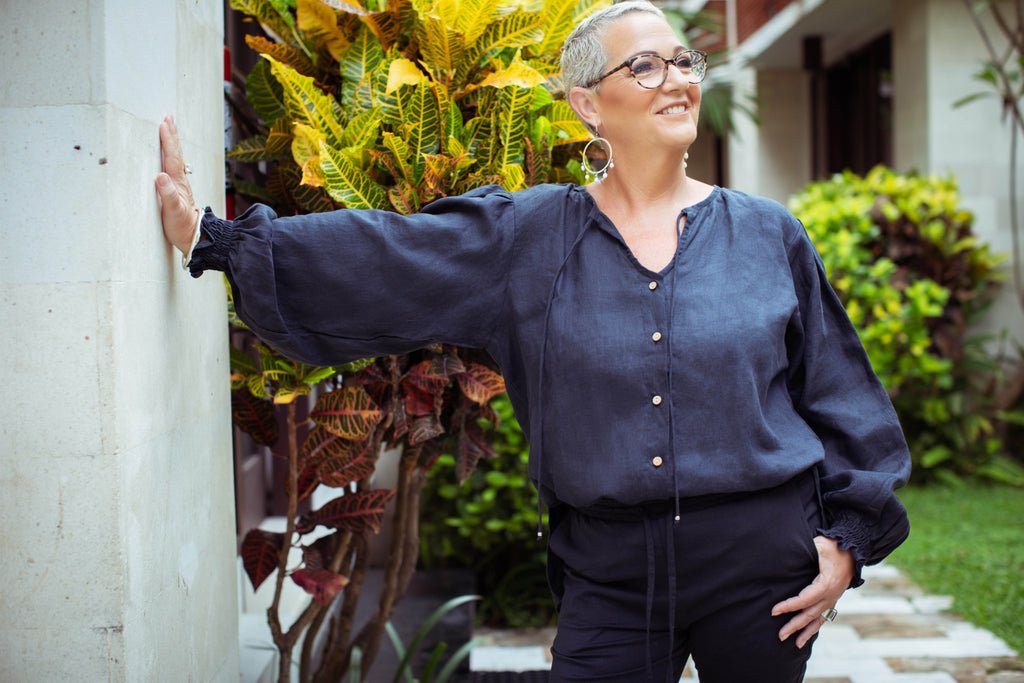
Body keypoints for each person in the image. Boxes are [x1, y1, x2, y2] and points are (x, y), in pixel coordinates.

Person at [156, 2, 910, 680]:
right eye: (644, 65)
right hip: (609, 574)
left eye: (684, 61)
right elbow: (386, 253)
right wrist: (214, 242)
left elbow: (841, 392)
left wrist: (845, 541)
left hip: (762, 571)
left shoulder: (767, 234)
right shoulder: (525, 237)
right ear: (589, 104)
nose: (677, 79)